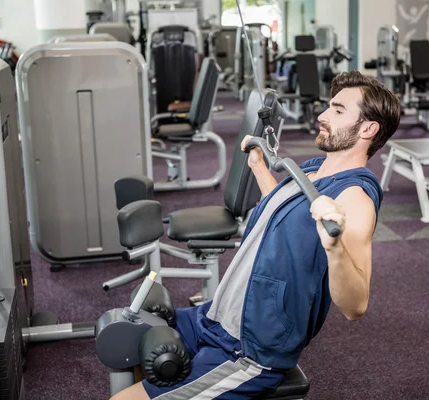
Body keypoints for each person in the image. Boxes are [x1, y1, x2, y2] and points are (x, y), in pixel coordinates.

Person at [112, 71, 401, 400]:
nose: (322, 115)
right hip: (216, 316)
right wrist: (260, 168)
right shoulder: (311, 169)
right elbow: (283, 216)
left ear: (368, 128)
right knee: (128, 336)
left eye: (337, 110)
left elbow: (356, 305)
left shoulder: (355, 196)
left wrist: (334, 248)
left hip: (248, 348)